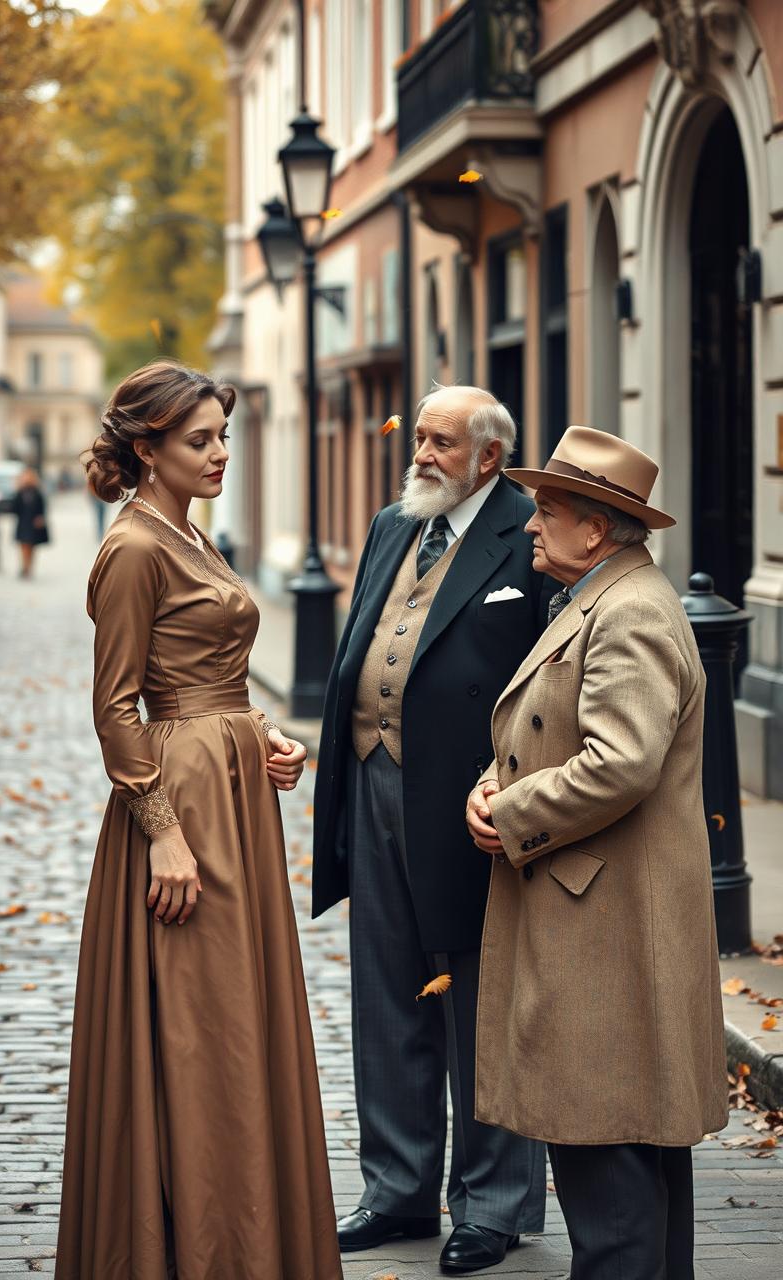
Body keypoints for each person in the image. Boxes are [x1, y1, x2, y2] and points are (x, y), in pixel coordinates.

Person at [56, 361, 342, 1280]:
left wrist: (265, 734)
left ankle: (249, 1237)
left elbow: (211, 674)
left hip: (234, 794)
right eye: (199, 441)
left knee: (235, 1021)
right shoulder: (136, 547)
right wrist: (163, 830)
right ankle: (197, 1250)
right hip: (182, 807)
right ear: (148, 449)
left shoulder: (191, 533)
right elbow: (116, 706)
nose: (220, 454)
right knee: (194, 1022)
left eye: (223, 436)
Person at [466, 426, 728, 1280]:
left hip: (606, 935)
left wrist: (512, 812)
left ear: (597, 529)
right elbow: (552, 727)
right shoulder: (601, 596)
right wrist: (490, 783)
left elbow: (621, 761)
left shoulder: (630, 612)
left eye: (547, 510)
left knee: (612, 1183)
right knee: (632, 1171)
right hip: (600, 919)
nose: (530, 525)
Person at [314, 385, 550, 1274]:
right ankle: (397, 1190)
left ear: (489, 457)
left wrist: (514, 791)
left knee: (480, 1003)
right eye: (418, 436)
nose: (420, 454)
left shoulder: (530, 532)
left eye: (441, 442)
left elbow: (551, 679)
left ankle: (490, 1207)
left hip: (474, 804)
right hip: (376, 781)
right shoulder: (390, 526)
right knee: (387, 991)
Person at [12, 467, 48, 577]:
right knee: (23, 546)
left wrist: (41, 517)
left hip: (33, 523)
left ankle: (28, 566)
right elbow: (14, 508)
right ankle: (24, 566)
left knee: (31, 547)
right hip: (23, 523)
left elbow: (42, 506)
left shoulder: (37, 492)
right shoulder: (20, 492)